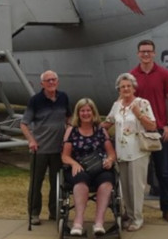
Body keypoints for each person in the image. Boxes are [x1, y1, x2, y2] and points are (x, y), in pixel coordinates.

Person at [130, 39, 168, 224]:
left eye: (149, 51)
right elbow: (126, 101)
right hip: (138, 131)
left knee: (164, 172)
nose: (146, 54)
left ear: (154, 53)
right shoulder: (132, 75)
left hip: (159, 131)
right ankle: (133, 211)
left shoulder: (164, 74)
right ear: (138, 54)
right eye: (143, 51)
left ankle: (167, 209)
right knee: (136, 174)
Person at [103, 73, 157, 231]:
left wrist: (139, 114)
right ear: (118, 89)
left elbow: (152, 126)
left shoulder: (142, 103)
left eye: (128, 86)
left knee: (136, 187)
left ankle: (138, 219)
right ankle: (130, 215)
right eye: (122, 87)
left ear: (134, 88)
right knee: (125, 187)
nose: (126, 89)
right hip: (121, 153)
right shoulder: (117, 105)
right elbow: (107, 122)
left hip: (138, 152)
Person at [20, 70, 72, 225]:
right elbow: (23, 124)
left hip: (58, 150)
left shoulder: (63, 97)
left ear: (57, 81)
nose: (51, 82)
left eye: (54, 79)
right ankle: (34, 214)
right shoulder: (35, 100)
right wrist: (31, 140)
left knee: (57, 183)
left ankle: (54, 212)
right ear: (42, 84)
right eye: (48, 80)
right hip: (40, 150)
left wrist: (68, 130)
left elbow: (68, 116)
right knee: (36, 183)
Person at [61, 98, 117, 236]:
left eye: (88, 110)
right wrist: (74, 163)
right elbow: (65, 156)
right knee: (81, 181)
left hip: (99, 167)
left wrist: (110, 160)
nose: (85, 113)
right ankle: (78, 221)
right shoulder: (71, 130)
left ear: (93, 112)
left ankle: (99, 222)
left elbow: (111, 153)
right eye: (82, 111)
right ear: (78, 113)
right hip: (78, 167)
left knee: (106, 182)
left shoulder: (100, 130)